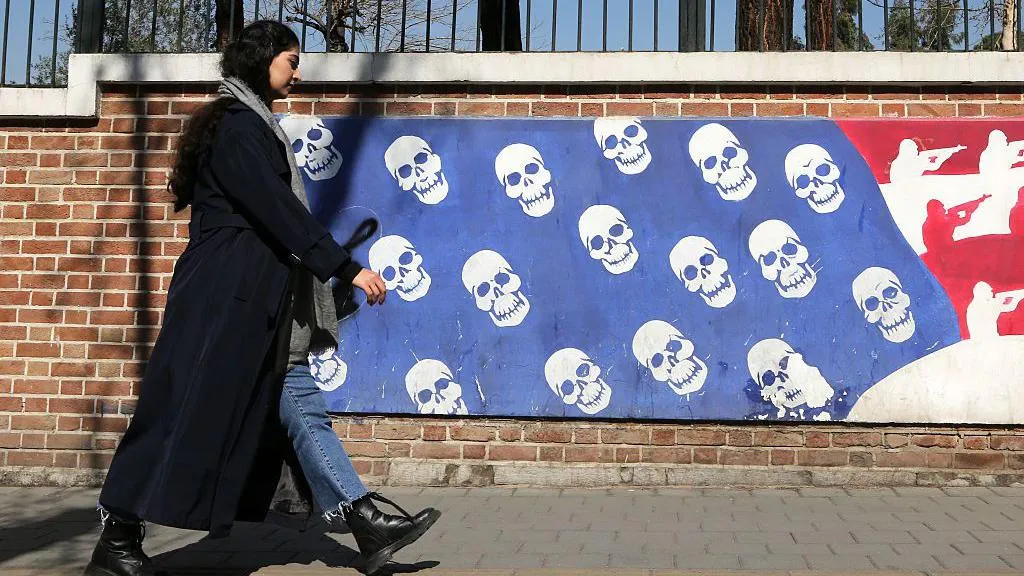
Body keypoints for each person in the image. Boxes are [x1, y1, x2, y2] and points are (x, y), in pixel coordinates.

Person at [84, 20, 440, 576]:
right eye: (291, 61)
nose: (298, 73)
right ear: (262, 59)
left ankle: (365, 520)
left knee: (295, 392)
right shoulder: (237, 128)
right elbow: (278, 210)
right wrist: (345, 267)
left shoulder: (250, 124)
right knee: (174, 409)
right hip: (222, 296)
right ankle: (117, 538)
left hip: (257, 294)